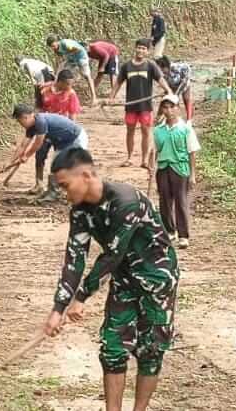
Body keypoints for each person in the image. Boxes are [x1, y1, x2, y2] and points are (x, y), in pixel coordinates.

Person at [43, 147, 179, 411]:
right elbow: (74, 258)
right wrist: (58, 309)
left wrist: (81, 297)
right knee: (112, 349)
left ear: (85, 175)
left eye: (65, 185)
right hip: (124, 279)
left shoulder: (126, 201)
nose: (63, 193)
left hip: (156, 278)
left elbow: (112, 255)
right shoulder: (80, 212)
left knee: (150, 350)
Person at [109, 38, 172, 169]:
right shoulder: (126, 66)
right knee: (130, 131)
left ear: (147, 51)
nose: (141, 50)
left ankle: (144, 160)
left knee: (146, 132)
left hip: (145, 107)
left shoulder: (150, 66)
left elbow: (160, 79)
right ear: (135, 48)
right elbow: (118, 82)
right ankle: (129, 158)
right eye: (139, 47)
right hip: (131, 106)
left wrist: (168, 90)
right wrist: (111, 97)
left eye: (144, 48)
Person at [10, 104, 88, 202]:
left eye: (19, 121)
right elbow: (23, 145)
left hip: (75, 138)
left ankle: (79, 192)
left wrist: (26, 156)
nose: (20, 124)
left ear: (25, 117)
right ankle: (54, 192)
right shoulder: (31, 126)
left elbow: (38, 143)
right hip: (63, 142)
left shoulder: (40, 122)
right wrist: (11, 161)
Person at [153, 95, 200, 249]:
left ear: (178, 108)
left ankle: (183, 235)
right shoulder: (158, 130)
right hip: (163, 167)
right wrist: (151, 166)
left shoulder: (185, 129)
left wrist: (192, 175)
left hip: (180, 168)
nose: (169, 111)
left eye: (172, 107)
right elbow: (156, 150)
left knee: (181, 201)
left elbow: (192, 152)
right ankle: (169, 230)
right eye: (165, 107)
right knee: (164, 201)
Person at [46, 35, 98, 106]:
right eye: (51, 47)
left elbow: (78, 49)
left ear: (57, 41)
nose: (53, 48)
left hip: (81, 57)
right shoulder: (56, 49)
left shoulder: (65, 43)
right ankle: (62, 97)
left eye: (53, 45)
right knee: (63, 75)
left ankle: (94, 98)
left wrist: (69, 52)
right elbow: (59, 58)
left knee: (87, 76)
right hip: (71, 59)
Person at [155, 56, 194, 123]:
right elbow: (163, 83)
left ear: (167, 67)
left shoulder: (176, 68)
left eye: (162, 69)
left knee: (186, 99)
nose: (161, 71)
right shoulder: (160, 73)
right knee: (169, 101)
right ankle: (161, 118)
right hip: (172, 86)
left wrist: (185, 79)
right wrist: (168, 91)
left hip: (183, 83)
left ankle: (189, 120)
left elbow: (187, 69)